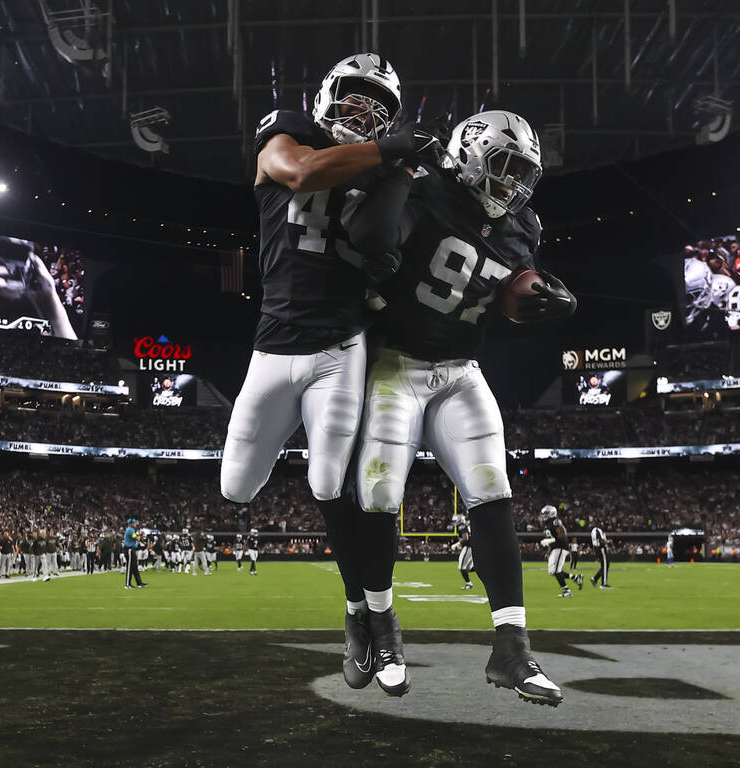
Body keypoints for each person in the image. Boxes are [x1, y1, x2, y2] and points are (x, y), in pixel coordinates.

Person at [220, 52, 437, 691]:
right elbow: (303, 171)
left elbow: (397, 249)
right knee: (235, 487)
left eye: (378, 108)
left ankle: (363, 614)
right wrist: (388, 148)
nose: (362, 112)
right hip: (272, 346)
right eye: (354, 97)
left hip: (340, 349)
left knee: (328, 483)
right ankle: (365, 608)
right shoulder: (290, 134)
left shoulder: (387, 175)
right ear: (326, 95)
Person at [348, 110, 575, 704]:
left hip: (459, 370)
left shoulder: (522, 224)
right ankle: (382, 627)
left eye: (523, 174)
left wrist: (539, 296)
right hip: (394, 363)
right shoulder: (425, 188)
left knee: (492, 490)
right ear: (471, 153)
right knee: (378, 493)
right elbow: (371, 242)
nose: (514, 186)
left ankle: (512, 649)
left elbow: (506, 291)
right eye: (504, 168)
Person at [540, 506, 583, 597]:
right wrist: (549, 549)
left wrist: (550, 541)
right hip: (555, 548)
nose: (544, 516)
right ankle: (576, 577)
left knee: (556, 570)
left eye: (546, 514)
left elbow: (562, 536)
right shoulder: (547, 524)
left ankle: (567, 591)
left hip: (560, 547)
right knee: (553, 571)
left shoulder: (555, 521)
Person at [450, 513, 473, 589]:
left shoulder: (462, 526)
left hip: (468, 546)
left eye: (455, 520)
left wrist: (456, 544)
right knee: (469, 568)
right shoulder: (464, 525)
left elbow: (465, 538)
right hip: (470, 546)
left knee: (462, 567)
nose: (454, 522)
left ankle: (469, 584)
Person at [123, 518, 145, 589]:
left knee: (135, 567)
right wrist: (140, 535)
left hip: (132, 549)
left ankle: (139, 583)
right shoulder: (130, 530)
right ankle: (127, 584)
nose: (136, 524)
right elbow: (136, 538)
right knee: (129, 567)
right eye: (134, 523)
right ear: (131, 524)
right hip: (129, 549)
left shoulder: (131, 530)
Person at [590, 523, 612, 589]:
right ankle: (604, 584)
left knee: (605, 565)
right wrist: (608, 541)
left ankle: (595, 578)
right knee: (605, 565)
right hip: (601, 548)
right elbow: (601, 541)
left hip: (598, 549)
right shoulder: (598, 530)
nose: (604, 526)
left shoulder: (594, 530)